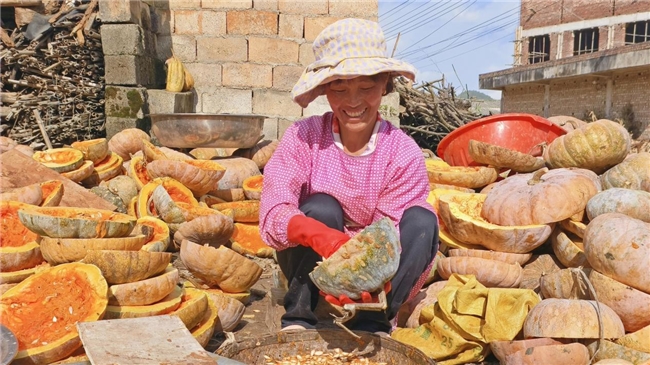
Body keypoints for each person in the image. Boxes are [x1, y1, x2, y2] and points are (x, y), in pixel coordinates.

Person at [259, 18, 439, 335]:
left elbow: (390, 237)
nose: (353, 102)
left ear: (385, 85)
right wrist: (319, 235)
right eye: (339, 88)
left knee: (423, 220)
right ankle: (300, 314)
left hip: (377, 274)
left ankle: (375, 320)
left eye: (367, 87)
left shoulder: (403, 153)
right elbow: (273, 211)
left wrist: (357, 269)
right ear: (325, 91)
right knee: (322, 207)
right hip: (309, 263)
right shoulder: (303, 137)